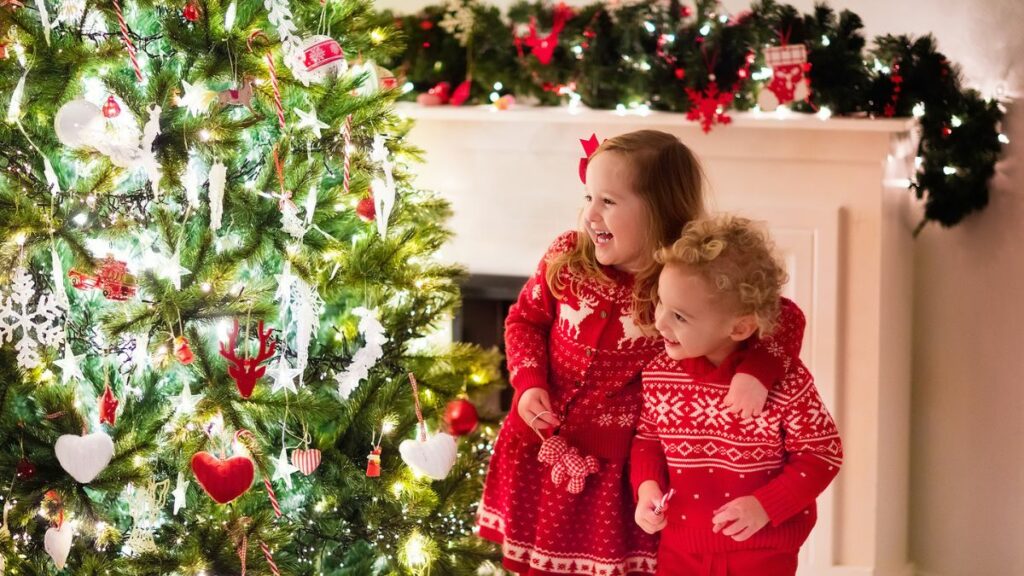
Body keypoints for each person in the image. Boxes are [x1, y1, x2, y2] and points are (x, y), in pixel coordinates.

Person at [476, 130, 807, 575]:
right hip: (540, 451)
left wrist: (757, 370)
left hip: (616, 475)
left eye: (609, 201)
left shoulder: (682, 282)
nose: (590, 214)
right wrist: (528, 383)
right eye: (588, 196)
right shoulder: (567, 258)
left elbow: (782, 315)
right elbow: (524, 320)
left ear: (659, 210)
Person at [631, 215, 843, 576]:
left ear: (741, 326)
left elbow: (822, 452)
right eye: (661, 303)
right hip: (680, 549)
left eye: (680, 316)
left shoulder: (784, 381)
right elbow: (648, 440)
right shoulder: (659, 373)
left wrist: (765, 505)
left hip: (762, 551)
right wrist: (647, 488)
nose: (661, 321)